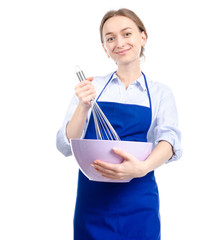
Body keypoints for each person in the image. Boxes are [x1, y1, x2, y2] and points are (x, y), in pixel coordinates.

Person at [56, 8, 182, 240]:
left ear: (142, 37)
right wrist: (83, 106)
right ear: (105, 48)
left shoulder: (160, 93)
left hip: (138, 197)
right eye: (110, 38)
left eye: (127, 34)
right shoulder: (91, 88)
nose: (119, 42)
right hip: (93, 201)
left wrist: (142, 168)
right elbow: (66, 145)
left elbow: (169, 141)